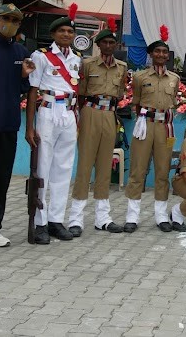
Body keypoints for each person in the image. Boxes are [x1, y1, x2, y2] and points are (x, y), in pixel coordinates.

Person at [25, 4, 82, 244]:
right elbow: (32, 91)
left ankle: (56, 220)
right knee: (43, 169)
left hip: (68, 114)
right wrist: (29, 127)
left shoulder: (77, 60)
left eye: (70, 31)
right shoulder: (41, 56)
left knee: (63, 169)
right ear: (53, 34)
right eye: (62, 31)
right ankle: (40, 222)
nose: (66, 35)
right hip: (48, 112)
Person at [67, 18, 128, 236]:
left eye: (113, 43)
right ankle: (76, 218)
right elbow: (80, 91)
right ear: (99, 44)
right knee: (85, 165)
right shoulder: (87, 64)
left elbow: (120, 93)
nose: (110, 46)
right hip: (90, 112)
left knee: (105, 166)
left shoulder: (122, 67)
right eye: (106, 43)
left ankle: (103, 218)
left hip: (110, 114)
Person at [0, 4, 34, 250]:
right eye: (6, 18)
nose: (10, 23)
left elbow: (22, 90)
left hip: (7, 126)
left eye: (15, 20)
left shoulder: (21, 51)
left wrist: (24, 76)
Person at [123, 25, 180, 233]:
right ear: (150, 54)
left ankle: (161, 215)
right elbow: (135, 101)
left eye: (164, 52)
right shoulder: (140, 77)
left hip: (166, 127)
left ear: (167, 56)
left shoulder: (174, 78)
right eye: (157, 51)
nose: (161, 55)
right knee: (138, 170)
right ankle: (132, 216)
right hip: (144, 125)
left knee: (163, 171)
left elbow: (173, 101)